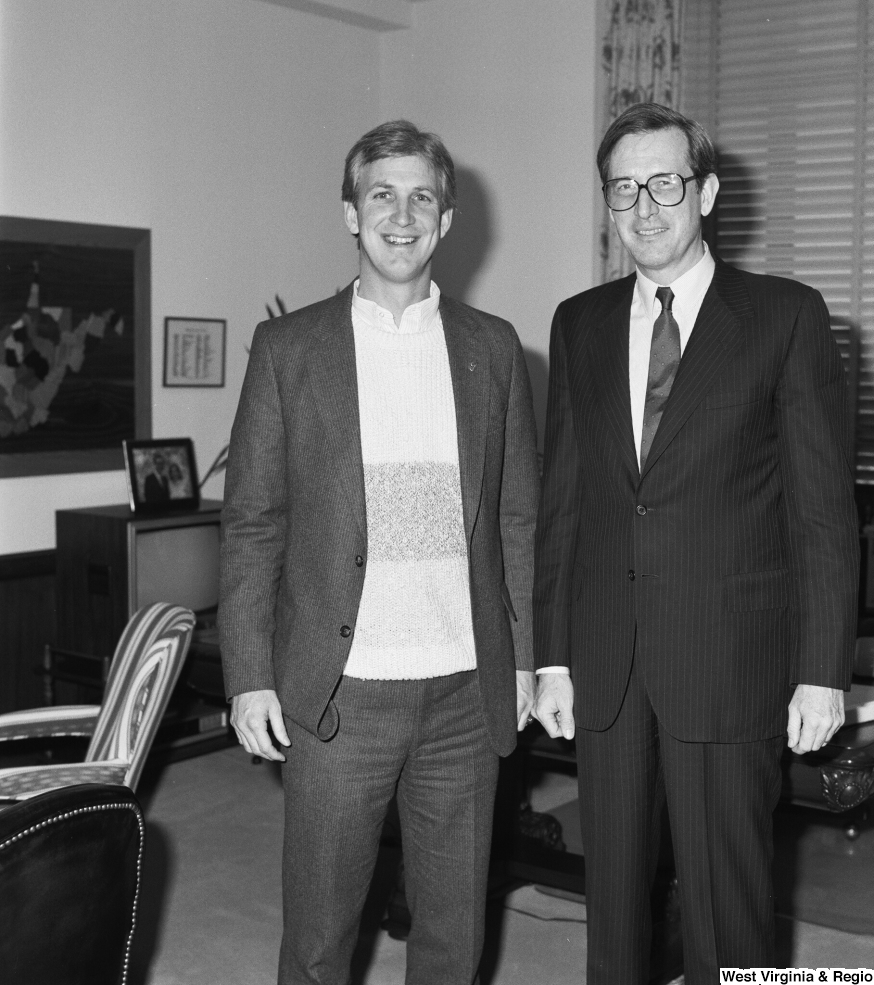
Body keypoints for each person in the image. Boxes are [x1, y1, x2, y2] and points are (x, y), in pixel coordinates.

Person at [532, 103, 859, 984]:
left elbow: (823, 513)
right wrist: (551, 657)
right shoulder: (579, 323)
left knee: (727, 918)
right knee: (615, 921)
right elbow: (563, 503)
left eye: (665, 183)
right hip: (606, 665)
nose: (645, 206)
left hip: (727, 658)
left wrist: (823, 669)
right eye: (624, 187)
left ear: (706, 191)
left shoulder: (785, 317)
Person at [218, 119, 539, 985]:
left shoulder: (494, 348)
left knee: (452, 939)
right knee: (320, 940)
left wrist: (524, 660)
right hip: (340, 692)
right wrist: (249, 671)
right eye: (382, 195)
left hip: (464, 694)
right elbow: (253, 519)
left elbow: (516, 519)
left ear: (447, 218)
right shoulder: (289, 351)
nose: (403, 215)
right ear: (351, 215)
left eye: (422, 197)